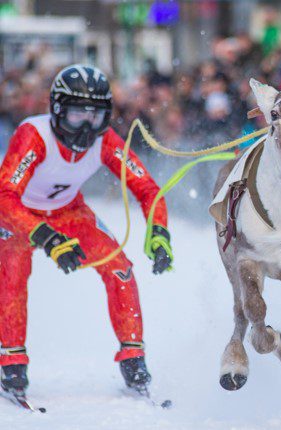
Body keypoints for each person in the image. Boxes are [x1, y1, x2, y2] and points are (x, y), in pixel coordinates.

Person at [0, 65, 173, 396]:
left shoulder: (106, 141)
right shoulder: (34, 135)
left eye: (95, 117)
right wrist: (46, 237)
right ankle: (12, 361)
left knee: (119, 267)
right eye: (77, 115)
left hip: (70, 213)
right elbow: (5, 196)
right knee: (12, 272)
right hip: (20, 216)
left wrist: (159, 233)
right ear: (57, 110)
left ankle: (133, 356)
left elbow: (148, 189)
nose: (86, 127)